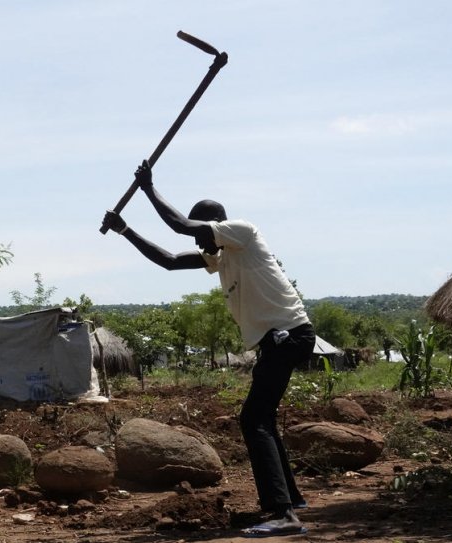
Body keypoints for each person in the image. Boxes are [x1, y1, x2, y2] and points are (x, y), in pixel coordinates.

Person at [102, 160, 315, 538]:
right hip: (278, 341)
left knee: (253, 420)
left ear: (215, 224)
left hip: (289, 336)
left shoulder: (243, 233)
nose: (199, 244)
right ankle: (291, 500)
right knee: (261, 417)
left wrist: (149, 189)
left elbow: (182, 226)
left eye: (202, 236)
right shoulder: (222, 256)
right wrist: (125, 230)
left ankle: (283, 513)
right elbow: (168, 261)